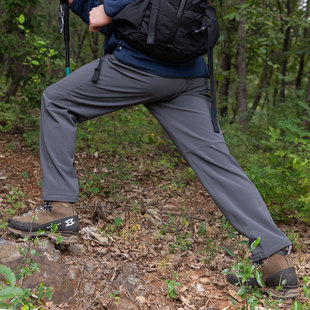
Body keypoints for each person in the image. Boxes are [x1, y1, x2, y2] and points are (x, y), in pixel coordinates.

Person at [8, 0, 298, 298]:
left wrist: (108, 9)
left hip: (141, 66)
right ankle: (276, 261)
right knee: (217, 162)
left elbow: (116, 15)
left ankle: (58, 208)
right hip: (189, 73)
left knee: (57, 101)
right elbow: (132, 18)